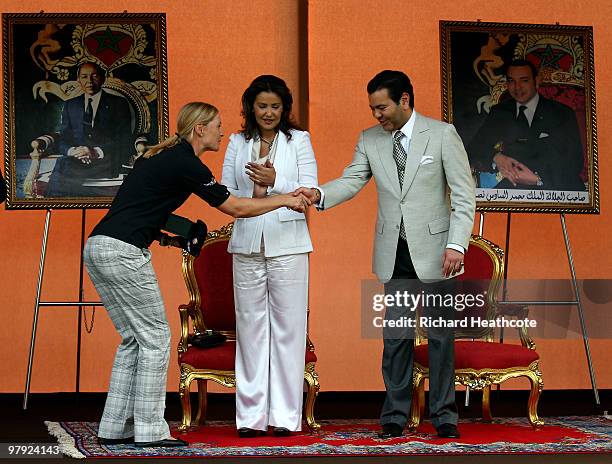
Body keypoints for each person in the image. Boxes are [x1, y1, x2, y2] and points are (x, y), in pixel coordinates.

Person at [83, 102, 310, 448]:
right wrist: (285, 201)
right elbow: (236, 207)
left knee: (134, 339)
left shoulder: (161, 157)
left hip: (100, 246)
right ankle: (149, 430)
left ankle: (114, 426)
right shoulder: (186, 162)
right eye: (218, 125)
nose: (222, 131)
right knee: (156, 339)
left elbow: (138, 207)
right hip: (123, 252)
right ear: (200, 128)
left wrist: (171, 237)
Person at [295, 70, 475, 439]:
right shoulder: (369, 139)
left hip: (439, 252)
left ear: (405, 99)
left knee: (440, 337)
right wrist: (318, 194)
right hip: (395, 254)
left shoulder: (442, 135)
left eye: (382, 107)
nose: (377, 115)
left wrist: (457, 244)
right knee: (396, 336)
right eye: (372, 108)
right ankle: (394, 413)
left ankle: (444, 415)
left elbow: (463, 193)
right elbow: (351, 180)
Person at [221, 75, 318, 438]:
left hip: (289, 245)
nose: (268, 112)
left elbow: (309, 190)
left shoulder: (300, 141)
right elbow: (226, 192)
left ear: (284, 109)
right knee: (250, 329)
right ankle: (250, 418)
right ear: (251, 107)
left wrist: (273, 183)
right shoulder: (236, 141)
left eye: (275, 106)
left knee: (289, 329)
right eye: (262, 106)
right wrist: (255, 188)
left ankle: (284, 417)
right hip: (246, 244)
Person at [468, 59, 585, 191]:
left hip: (557, 186)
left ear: (536, 81)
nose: (517, 87)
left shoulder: (562, 113)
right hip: (512, 187)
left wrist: (538, 179)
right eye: (512, 81)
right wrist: (496, 157)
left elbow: (574, 161)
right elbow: (474, 148)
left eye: (524, 80)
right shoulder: (499, 112)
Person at [46, 61, 133, 197]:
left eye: (94, 76)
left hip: (106, 160)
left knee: (65, 172)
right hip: (77, 159)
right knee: (62, 163)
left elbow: (124, 139)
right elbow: (63, 138)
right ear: (78, 80)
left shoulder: (118, 103)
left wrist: (95, 151)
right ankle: (58, 208)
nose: (89, 81)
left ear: (102, 78)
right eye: (84, 77)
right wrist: (73, 151)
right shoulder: (71, 105)